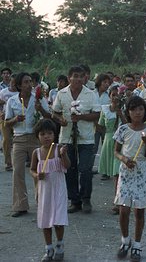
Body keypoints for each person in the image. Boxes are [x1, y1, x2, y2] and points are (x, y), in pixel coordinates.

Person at [113, 96, 146, 262]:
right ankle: (125, 240)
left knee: (139, 211)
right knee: (124, 209)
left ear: (144, 111)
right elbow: (116, 151)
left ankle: (137, 245)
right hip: (126, 172)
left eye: (140, 109)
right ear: (128, 112)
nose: (137, 113)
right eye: (134, 109)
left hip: (143, 173)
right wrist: (124, 159)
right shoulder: (123, 129)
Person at [52, 66, 101, 214]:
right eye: (76, 76)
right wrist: (61, 120)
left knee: (85, 169)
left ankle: (86, 199)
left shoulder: (90, 94)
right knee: (69, 169)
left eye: (82, 76)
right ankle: (74, 200)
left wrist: (81, 117)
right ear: (69, 78)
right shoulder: (62, 94)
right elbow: (54, 112)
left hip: (86, 138)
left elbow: (96, 114)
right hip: (67, 137)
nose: (79, 79)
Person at [5, 72, 51, 217]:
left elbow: (48, 116)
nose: (29, 84)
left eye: (30, 81)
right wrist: (16, 119)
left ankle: (43, 203)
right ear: (19, 85)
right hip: (18, 139)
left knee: (39, 172)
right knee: (17, 172)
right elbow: (6, 122)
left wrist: (40, 109)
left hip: (35, 138)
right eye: (25, 82)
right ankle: (21, 205)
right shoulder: (12, 101)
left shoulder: (39, 99)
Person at [30, 119, 71, 262]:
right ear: (37, 136)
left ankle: (60, 244)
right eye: (42, 134)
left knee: (58, 220)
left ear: (55, 135)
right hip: (44, 191)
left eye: (49, 133)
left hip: (58, 190)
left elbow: (67, 166)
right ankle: (48, 248)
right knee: (46, 220)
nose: (46, 136)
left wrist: (64, 154)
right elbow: (32, 169)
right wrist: (37, 175)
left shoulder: (58, 149)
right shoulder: (37, 153)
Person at [98, 86, 127, 214]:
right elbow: (100, 126)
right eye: (113, 94)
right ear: (109, 96)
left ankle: (118, 202)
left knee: (118, 173)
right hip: (109, 140)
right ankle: (118, 200)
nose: (115, 97)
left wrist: (120, 114)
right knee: (114, 173)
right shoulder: (104, 109)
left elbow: (127, 125)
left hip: (120, 142)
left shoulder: (125, 109)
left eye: (117, 95)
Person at [92, 73, 111, 176]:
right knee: (93, 147)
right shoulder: (92, 93)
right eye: (105, 82)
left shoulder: (108, 95)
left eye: (108, 83)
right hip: (93, 123)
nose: (107, 84)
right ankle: (89, 167)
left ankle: (106, 170)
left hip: (105, 124)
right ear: (99, 82)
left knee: (106, 147)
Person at [0, 73, 18, 171]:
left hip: (17, 119)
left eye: (15, 83)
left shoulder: (20, 93)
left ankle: (19, 159)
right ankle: (8, 163)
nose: (13, 84)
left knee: (17, 140)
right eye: (11, 82)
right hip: (5, 119)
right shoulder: (3, 92)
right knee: (7, 140)